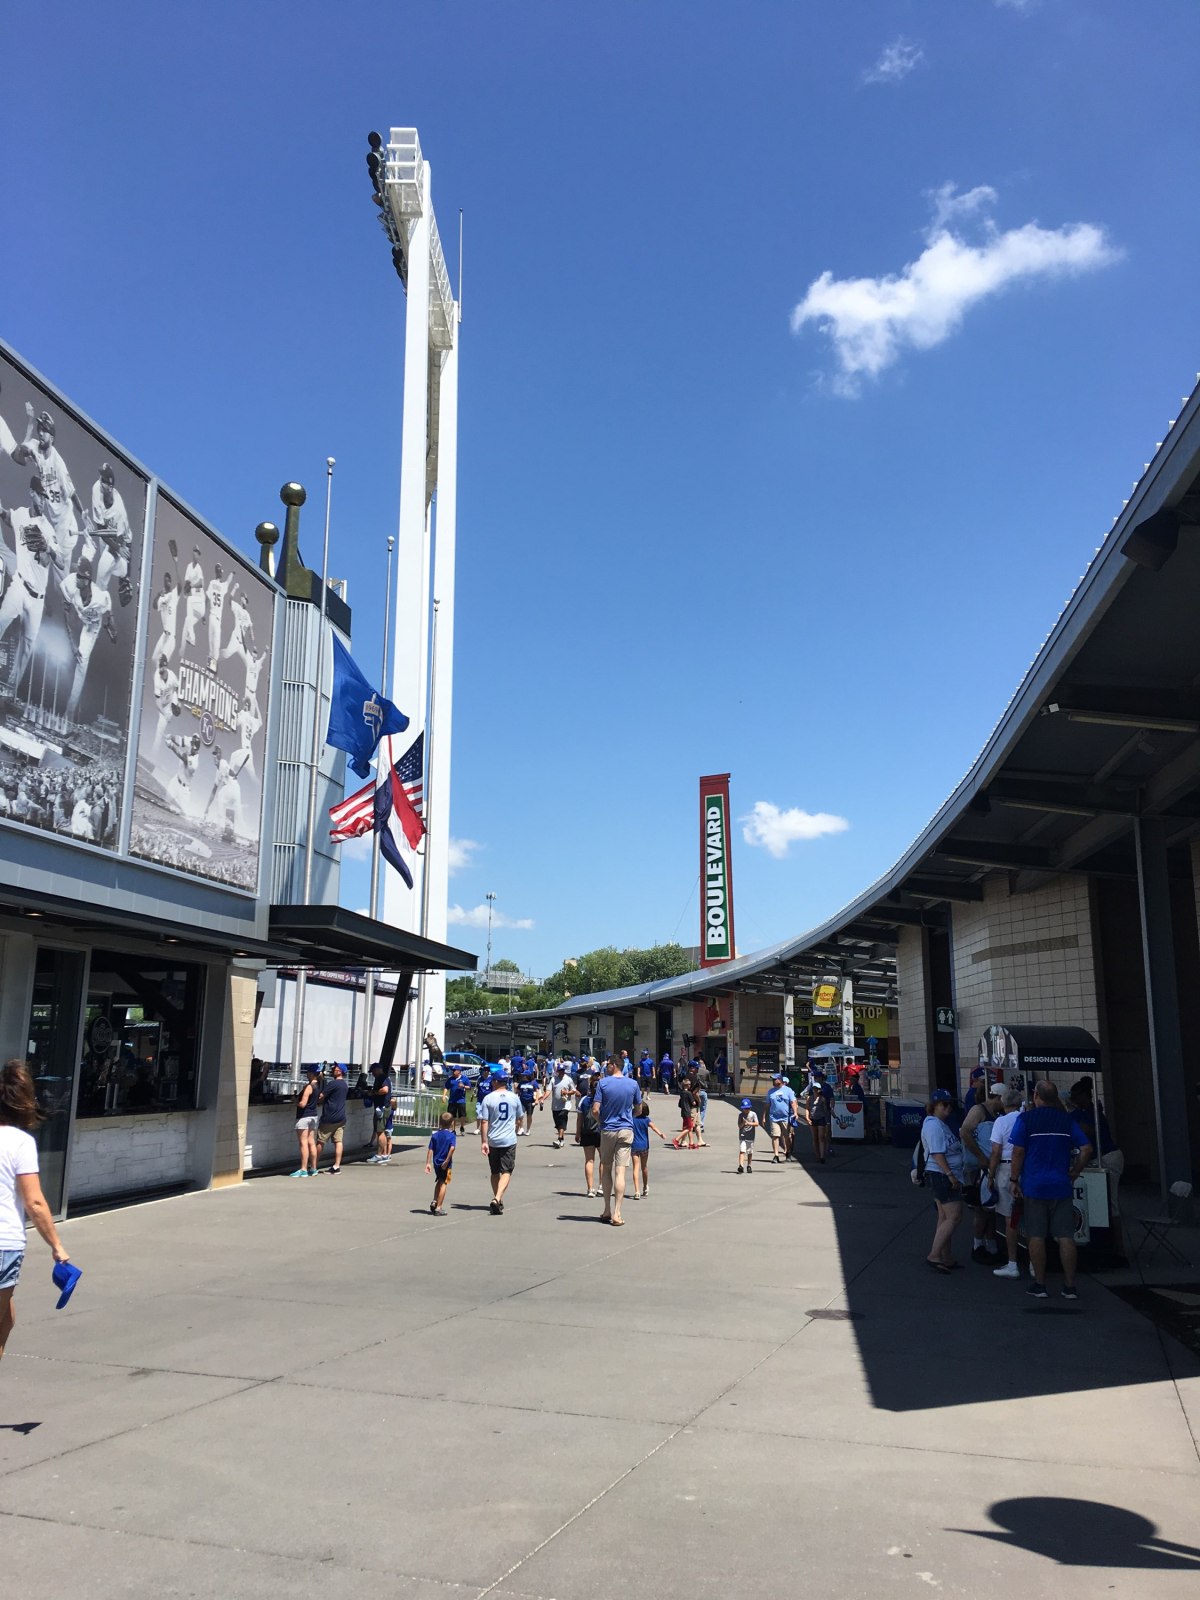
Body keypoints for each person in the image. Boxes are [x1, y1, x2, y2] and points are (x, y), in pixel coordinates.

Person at [1, 1059, 71, 1361]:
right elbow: (35, 1203)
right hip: (4, 1243)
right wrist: (57, 1246)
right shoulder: (20, 1143)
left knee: (7, 1318)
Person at [1009, 1080, 1093, 1300]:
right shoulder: (1067, 1120)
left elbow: (1017, 1151)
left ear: (1036, 1096)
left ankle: (1040, 1284)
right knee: (1065, 1235)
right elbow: (1086, 1148)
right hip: (1061, 1184)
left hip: (1035, 1185)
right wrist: (1075, 1171)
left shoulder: (1026, 1119)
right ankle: (1069, 1286)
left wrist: (1014, 1179)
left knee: (1036, 1235)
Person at [1069, 1077, 1125, 1259]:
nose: (1072, 1099)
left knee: (1111, 1203)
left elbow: (1086, 1130)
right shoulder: (1087, 1112)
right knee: (1105, 1201)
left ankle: (1119, 1250)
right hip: (1103, 1156)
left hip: (1108, 1157)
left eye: (1074, 1096)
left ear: (1083, 1095)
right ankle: (1112, 1246)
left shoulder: (1091, 1114)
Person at [921, 1088, 966, 1274]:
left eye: (950, 1104)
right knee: (954, 1216)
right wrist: (950, 1175)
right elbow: (937, 1153)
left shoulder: (940, 1124)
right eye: (944, 1104)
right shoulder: (933, 1126)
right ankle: (934, 1254)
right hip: (941, 1174)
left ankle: (946, 1256)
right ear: (934, 1105)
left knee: (945, 1217)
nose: (948, 1108)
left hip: (941, 1173)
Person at [961, 1081, 1004, 1264]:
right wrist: (980, 1156)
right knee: (981, 1209)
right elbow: (965, 1132)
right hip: (979, 1167)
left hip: (990, 1166)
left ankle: (992, 1246)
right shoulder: (978, 1110)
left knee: (990, 1208)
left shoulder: (997, 1114)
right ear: (999, 1098)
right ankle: (978, 1246)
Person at [595, 1057, 640, 1225]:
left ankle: (607, 1209)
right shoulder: (633, 1084)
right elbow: (639, 1108)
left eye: (608, 1065)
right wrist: (629, 1118)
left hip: (608, 1129)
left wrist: (601, 1122)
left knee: (606, 1168)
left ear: (614, 1065)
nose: (606, 1067)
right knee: (620, 1172)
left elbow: (595, 1109)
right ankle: (617, 1213)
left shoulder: (603, 1083)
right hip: (625, 1129)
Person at [987, 1086, 1024, 1279]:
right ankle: (1035, 1263)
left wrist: (990, 1174)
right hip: (1026, 1168)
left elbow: (996, 1151)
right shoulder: (1026, 1118)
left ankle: (1012, 1263)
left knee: (1010, 1219)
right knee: (1030, 1217)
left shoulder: (1001, 1121)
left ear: (1003, 1103)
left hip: (1006, 1167)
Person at [479, 1070, 522, 1214]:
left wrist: (484, 1141)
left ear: (496, 1082)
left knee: (495, 1171)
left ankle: (498, 1198)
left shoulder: (488, 1098)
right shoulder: (514, 1097)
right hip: (509, 1139)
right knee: (507, 1170)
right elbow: (519, 1116)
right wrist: (516, 1127)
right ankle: (497, 1198)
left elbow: (484, 1121)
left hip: (493, 1139)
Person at [314, 1063, 348, 1174]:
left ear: (340, 1071)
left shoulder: (333, 1084)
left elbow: (320, 1096)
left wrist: (319, 1081)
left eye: (335, 1068)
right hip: (341, 1117)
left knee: (320, 1141)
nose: (333, 1069)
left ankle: (313, 1165)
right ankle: (336, 1166)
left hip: (329, 1117)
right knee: (338, 1141)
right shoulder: (344, 1085)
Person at [630, 1097, 666, 1199]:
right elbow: (654, 1127)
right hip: (644, 1146)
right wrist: (661, 1134)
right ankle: (645, 1186)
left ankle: (637, 1191)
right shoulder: (646, 1120)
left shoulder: (632, 1119)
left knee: (635, 1168)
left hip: (634, 1145)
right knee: (644, 1167)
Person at [291, 1064, 322, 1176]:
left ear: (311, 1074)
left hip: (304, 1116)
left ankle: (303, 1169)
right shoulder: (317, 1086)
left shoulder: (309, 1087)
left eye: (308, 1072)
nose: (306, 1074)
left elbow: (303, 1104)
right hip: (313, 1116)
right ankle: (313, 1168)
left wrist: (295, 1101)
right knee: (311, 1142)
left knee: (303, 1143)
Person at [575, 1072, 602, 1197]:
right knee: (604, 1160)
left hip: (587, 1132)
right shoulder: (603, 1100)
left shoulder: (584, 1100)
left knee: (589, 1160)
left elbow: (579, 1118)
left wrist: (578, 1133)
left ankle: (590, 1189)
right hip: (601, 1132)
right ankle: (601, 1186)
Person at [425, 1111, 456, 1215]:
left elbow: (430, 1149)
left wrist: (428, 1163)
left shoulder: (435, 1135)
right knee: (444, 1183)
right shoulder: (451, 1136)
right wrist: (447, 1160)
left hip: (436, 1163)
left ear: (440, 1123)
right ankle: (439, 1207)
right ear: (452, 1123)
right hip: (445, 1164)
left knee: (439, 1181)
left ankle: (434, 1201)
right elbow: (452, 1148)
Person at [543, 1061, 576, 1149]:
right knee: (558, 1124)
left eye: (562, 1070)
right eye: (560, 1070)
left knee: (562, 1120)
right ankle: (562, 1139)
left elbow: (574, 1090)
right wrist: (543, 1098)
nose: (561, 1072)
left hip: (565, 1105)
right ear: (557, 1071)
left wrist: (567, 1092)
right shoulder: (553, 1079)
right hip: (555, 1105)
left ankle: (559, 1139)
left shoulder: (568, 1079)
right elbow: (548, 1090)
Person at [766, 1072, 798, 1163]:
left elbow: (793, 1102)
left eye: (775, 1079)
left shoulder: (788, 1090)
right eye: (772, 1079)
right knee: (775, 1136)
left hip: (785, 1117)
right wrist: (764, 1116)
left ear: (780, 1080)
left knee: (787, 1136)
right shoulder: (770, 1091)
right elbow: (767, 1104)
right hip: (774, 1117)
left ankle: (788, 1153)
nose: (773, 1081)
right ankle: (776, 1156)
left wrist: (795, 1113)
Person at [366, 1063, 394, 1165]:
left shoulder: (382, 1078)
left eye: (373, 1071)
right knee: (382, 1132)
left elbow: (385, 1090)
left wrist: (375, 1092)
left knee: (380, 1132)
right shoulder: (382, 1078)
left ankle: (379, 1155)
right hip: (383, 1107)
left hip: (381, 1108)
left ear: (378, 1069)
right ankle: (384, 1154)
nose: (373, 1074)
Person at [805, 1068, 834, 1163]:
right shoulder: (812, 1088)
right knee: (816, 1137)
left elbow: (832, 1099)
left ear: (821, 1078)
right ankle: (818, 1154)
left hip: (825, 1113)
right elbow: (808, 1102)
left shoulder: (827, 1087)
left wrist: (832, 1108)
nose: (816, 1078)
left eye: (817, 1077)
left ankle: (827, 1149)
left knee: (826, 1133)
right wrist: (807, 1116)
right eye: (815, 1077)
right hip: (814, 1115)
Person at [737, 1097, 759, 1174]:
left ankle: (749, 1165)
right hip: (743, 1136)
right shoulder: (741, 1115)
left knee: (749, 1151)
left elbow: (757, 1124)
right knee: (742, 1150)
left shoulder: (753, 1114)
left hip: (750, 1136)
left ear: (750, 1108)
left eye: (747, 1108)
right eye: (745, 1108)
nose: (746, 1110)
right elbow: (739, 1126)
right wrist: (743, 1123)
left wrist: (749, 1123)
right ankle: (741, 1165)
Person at [516, 1060, 538, 1136]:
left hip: (530, 1101)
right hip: (522, 1101)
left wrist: (537, 1100)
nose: (523, 1077)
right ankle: (521, 1128)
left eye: (525, 1076)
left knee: (529, 1115)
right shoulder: (521, 1083)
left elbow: (537, 1091)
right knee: (520, 1115)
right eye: (523, 1076)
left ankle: (528, 1129)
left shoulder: (533, 1082)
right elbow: (518, 1091)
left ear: (528, 1076)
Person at [445, 1066, 469, 1135]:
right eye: (452, 1070)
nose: (453, 1071)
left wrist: (463, 1086)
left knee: (462, 1115)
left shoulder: (464, 1078)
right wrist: (444, 1095)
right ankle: (453, 1130)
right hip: (452, 1100)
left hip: (461, 1100)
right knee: (452, 1116)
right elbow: (446, 1087)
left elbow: (469, 1087)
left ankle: (462, 1126)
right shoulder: (450, 1079)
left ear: (458, 1071)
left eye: (454, 1070)